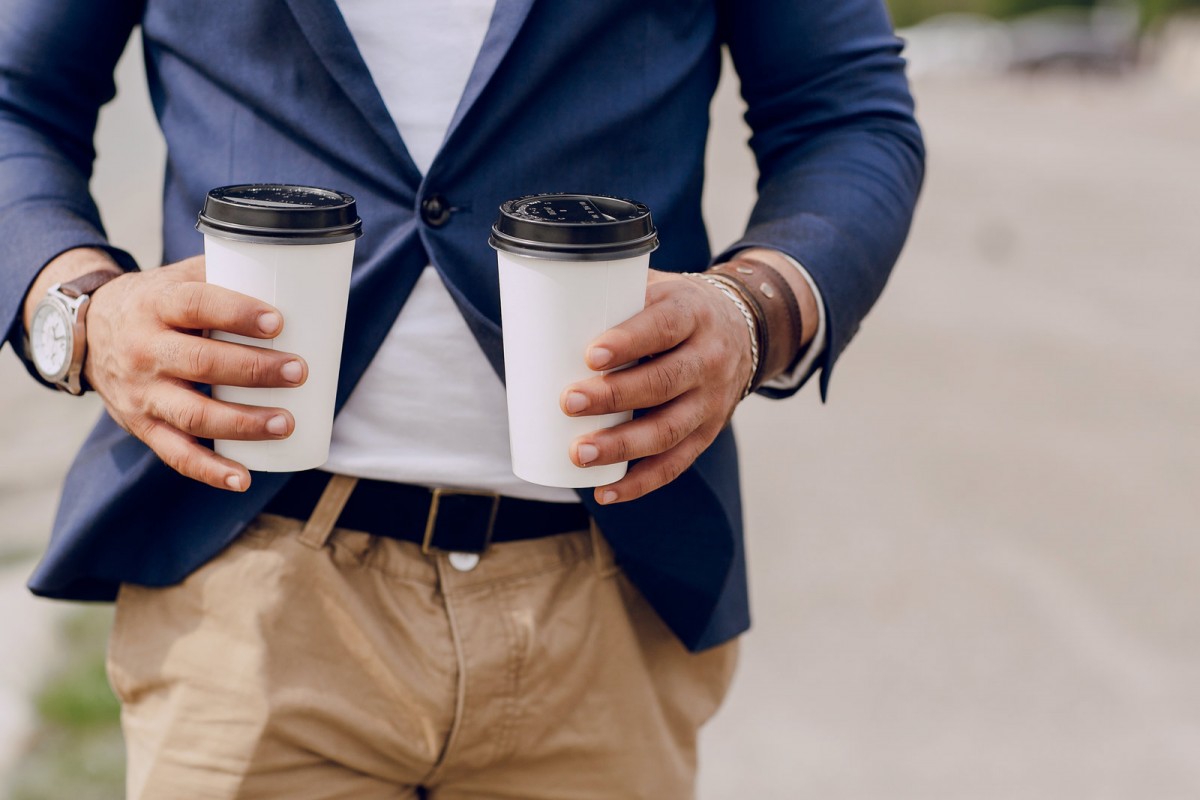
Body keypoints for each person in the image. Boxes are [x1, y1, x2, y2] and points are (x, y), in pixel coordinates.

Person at [0, 1, 923, 797]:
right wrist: (81, 312)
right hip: (243, 590)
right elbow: (16, 100)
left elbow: (848, 115)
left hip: (606, 596)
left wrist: (753, 309)